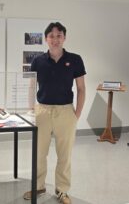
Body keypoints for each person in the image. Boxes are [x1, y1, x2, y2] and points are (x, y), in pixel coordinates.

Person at [23, 22, 86, 204]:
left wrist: (77, 115)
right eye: (51, 36)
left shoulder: (75, 59)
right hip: (42, 111)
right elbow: (31, 87)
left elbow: (81, 89)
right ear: (46, 39)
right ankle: (38, 186)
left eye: (59, 36)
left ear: (64, 38)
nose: (55, 39)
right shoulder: (37, 61)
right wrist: (30, 111)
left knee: (64, 155)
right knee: (39, 153)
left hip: (66, 112)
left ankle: (62, 190)